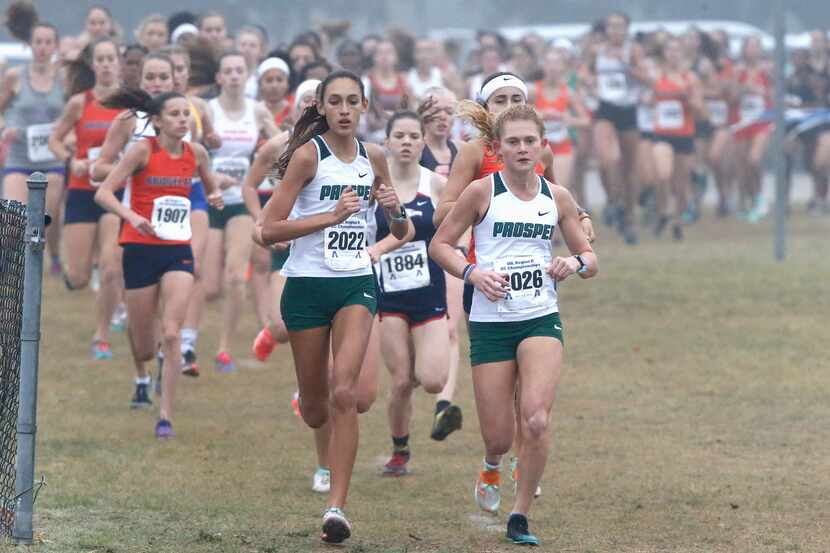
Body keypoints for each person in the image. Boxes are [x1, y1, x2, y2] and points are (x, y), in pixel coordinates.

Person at [429, 104, 598, 546]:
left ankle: (520, 514)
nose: (523, 149)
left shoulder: (556, 197)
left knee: (537, 420)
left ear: (542, 146)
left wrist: (572, 262)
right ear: (498, 148)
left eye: (530, 141)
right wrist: (472, 274)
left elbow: (591, 259)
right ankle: (490, 462)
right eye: (513, 142)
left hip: (540, 317)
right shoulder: (482, 192)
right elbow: (440, 245)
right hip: (490, 323)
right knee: (500, 437)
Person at [254, 70, 409, 544]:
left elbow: (399, 230)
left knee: (346, 395)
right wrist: (330, 216)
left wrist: (392, 207)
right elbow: (267, 229)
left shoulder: (373, 157)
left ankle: (336, 507)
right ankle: (308, 398)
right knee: (318, 411)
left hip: (354, 285)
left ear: (364, 107)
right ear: (320, 107)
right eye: (335, 102)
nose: (344, 110)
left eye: (352, 102)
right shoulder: (307, 157)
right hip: (305, 287)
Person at [94, 89, 223, 438]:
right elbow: (103, 192)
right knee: (144, 347)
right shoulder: (141, 150)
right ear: (158, 120)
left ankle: (165, 416)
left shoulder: (195, 153)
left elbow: (210, 189)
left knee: (171, 331)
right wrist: (131, 217)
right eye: (176, 114)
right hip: (139, 249)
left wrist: (216, 196)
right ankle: (146, 371)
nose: (183, 119)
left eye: (187, 114)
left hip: (177, 250)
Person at [377, 111, 455, 476]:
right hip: (388, 297)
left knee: (433, 380)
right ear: (387, 142)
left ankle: (428, 406)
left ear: (423, 143)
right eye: (399, 136)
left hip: (429, 294)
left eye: (413, 136)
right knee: (401, 379)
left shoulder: (435, 185)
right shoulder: (375, 186)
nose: (406, 142)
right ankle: (400, 448)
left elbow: (456, 227)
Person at [48, 37, 122, 361]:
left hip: (114, 192)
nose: (106, 64)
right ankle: (82, 269)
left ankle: (101, 336)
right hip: (81, 190)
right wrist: (70, 160)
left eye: (111, 58)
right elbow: (54, 138)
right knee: (77, 278)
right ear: (93, 65)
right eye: (100, 59)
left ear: (119, 63)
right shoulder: (80, 102)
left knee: (109, 268)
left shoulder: (129, 104)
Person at [204, 51, 278, 372]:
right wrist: (210, 170)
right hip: (208, 201)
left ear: (246, 77)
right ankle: (184, 338)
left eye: (239, 71)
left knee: (236, 277)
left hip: (240, 203)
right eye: (228, 71)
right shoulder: (206, 110)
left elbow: (282, 145)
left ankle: (223, 349)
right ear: (219, 77)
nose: (234, 76)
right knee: (209, 286)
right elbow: (188, 149)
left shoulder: (257, 110)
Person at [0, 17, 65, 273]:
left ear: (55, 45)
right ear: (30, 45)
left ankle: (55, 257)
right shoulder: (15, 77)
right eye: (38, 41)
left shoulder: (64, 79)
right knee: (14, 217)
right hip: (19, 157)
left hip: (51, 159)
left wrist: (64, 132)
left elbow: (73, 113)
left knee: (45, 219)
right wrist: (5, 129)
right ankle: (8, 265)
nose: (42, 47)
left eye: (48, 42)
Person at [589, 11, 648, 244]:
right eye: (612, 26)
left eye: (620, 26)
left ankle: (629, 218)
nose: (616, 31)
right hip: (605, 107)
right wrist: (588, 82)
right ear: (606, 29)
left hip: (628, 110)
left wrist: (627, 67)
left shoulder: (633, 50)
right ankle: (613, 201)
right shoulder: (597, 50)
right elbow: (584, 71)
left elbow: (647, 78)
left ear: (626, 29)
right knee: (607, 159)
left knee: (629, 170)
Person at [651, 37, 704, 240]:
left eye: (677, 50)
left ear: (682, 54)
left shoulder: (690, 78)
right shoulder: (657, 76)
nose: (673, 54)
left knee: (681, 184)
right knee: (663, 174)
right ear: (665, 54)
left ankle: (677, 221)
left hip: (684, 135)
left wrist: (687, 96)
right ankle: (663, 211)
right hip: (662, 134)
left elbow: (700, 110)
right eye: (669, 50)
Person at [531, 47, 591, 192]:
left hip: (562, 146)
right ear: (543, 66)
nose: (552, 67)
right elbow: (518, 114)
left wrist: (567, 118)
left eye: (556, 63)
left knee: (558, 189)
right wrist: (540, 114)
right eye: (549, 63)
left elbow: (586, 121)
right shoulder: (533, 90)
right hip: (537, 148)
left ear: (563, 67)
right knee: (536, 190)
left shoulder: (568, 93)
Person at [732, 36, 773, 223]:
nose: (752, 50)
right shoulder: (737, 71)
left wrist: (765, 86)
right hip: (742, 121)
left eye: (756, 46)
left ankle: (760, 198)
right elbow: (732, 98)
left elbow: (775, 92)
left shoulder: (767, 69)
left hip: (762, 120)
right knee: (744, 166)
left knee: (754, 159)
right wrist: (744, 87)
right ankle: (752, 200)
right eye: (749, 46)